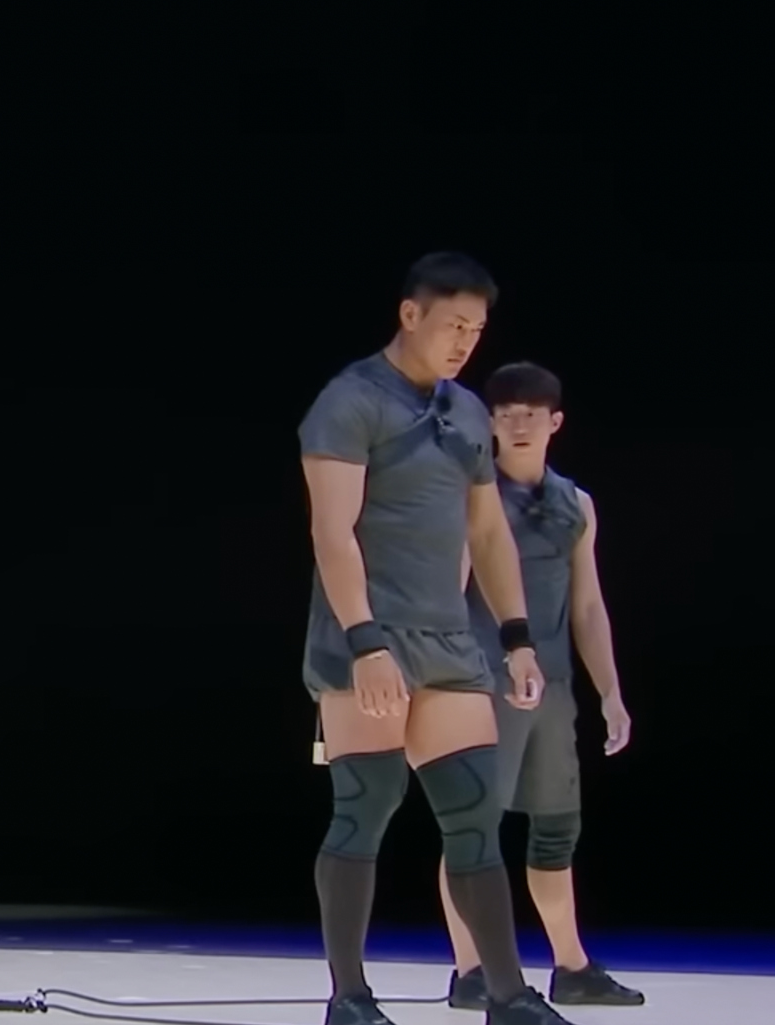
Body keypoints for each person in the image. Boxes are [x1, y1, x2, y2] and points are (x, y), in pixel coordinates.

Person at [297, 253, 576, 1025]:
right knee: (366, 805)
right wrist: (365, 642)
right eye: (453, 325)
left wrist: (517, 637)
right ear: (410, 314)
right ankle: (349, 997)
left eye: (476, 330)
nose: (463, 342)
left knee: (474, 812)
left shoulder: (467, 413)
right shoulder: (350, 401)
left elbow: (487, 533)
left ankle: (507, 995)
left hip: (448, 639)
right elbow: (332, 532)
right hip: (365, 635)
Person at [438, 362, 642, 1010]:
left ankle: (571, 965)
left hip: (551, 689)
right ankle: (472, 970)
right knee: (472, 828)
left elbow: (588, 605)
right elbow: (449, 593)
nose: (519, 424)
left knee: (555, 829)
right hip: (481, 684)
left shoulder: (575, 505)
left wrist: (609, 691)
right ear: (489, 423)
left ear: (555, 422)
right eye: (505, 413)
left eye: (531, 413)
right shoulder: (473, 497)